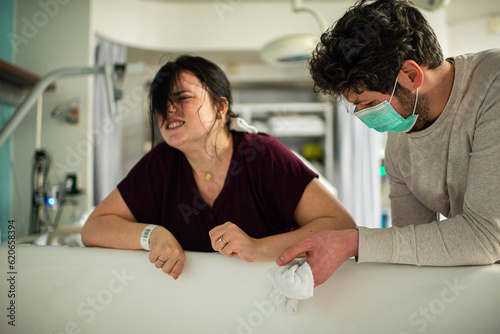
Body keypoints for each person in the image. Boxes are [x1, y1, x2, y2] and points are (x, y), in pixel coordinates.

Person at [278, 0, 500, 286]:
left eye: (368, 104)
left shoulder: (491, 89)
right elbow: (414, 247)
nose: (362, 117)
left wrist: (354, 242)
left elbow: (485, 235)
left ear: (411, 75)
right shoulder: (399, 143)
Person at [81, 55, 355, 280]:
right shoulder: (160, 164)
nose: (168, 110)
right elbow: (93, 228)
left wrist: (259, 247)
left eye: (182, 98)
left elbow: (341, 226)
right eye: (162, 104)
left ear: (221, 107)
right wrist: (151, 235)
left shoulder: (261, 155)